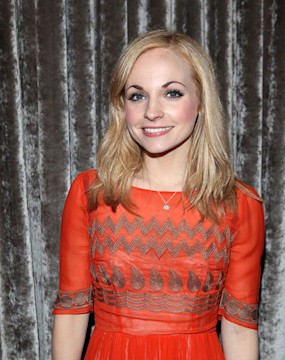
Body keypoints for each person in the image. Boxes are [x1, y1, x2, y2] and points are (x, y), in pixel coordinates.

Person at [51, 30, 265, 360]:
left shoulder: (240, 203)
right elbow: (72, 312)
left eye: (172, 93)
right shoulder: (91, 193)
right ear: (122, 106)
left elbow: (239, 328)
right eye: (137, 96)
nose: (152, 111)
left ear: (201, 102)